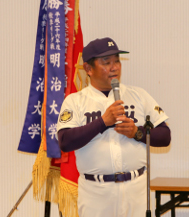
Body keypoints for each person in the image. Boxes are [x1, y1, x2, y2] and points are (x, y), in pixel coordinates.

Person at [56, 37, 171, 217]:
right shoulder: (75, 101)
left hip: (136, 191)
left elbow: (165, 136)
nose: (115, 67)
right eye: (106, 62)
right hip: (96, 194)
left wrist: (137, 132)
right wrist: (102, 122)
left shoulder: (138, 95)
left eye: (117, 60)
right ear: (88, 69)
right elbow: (65, 141)